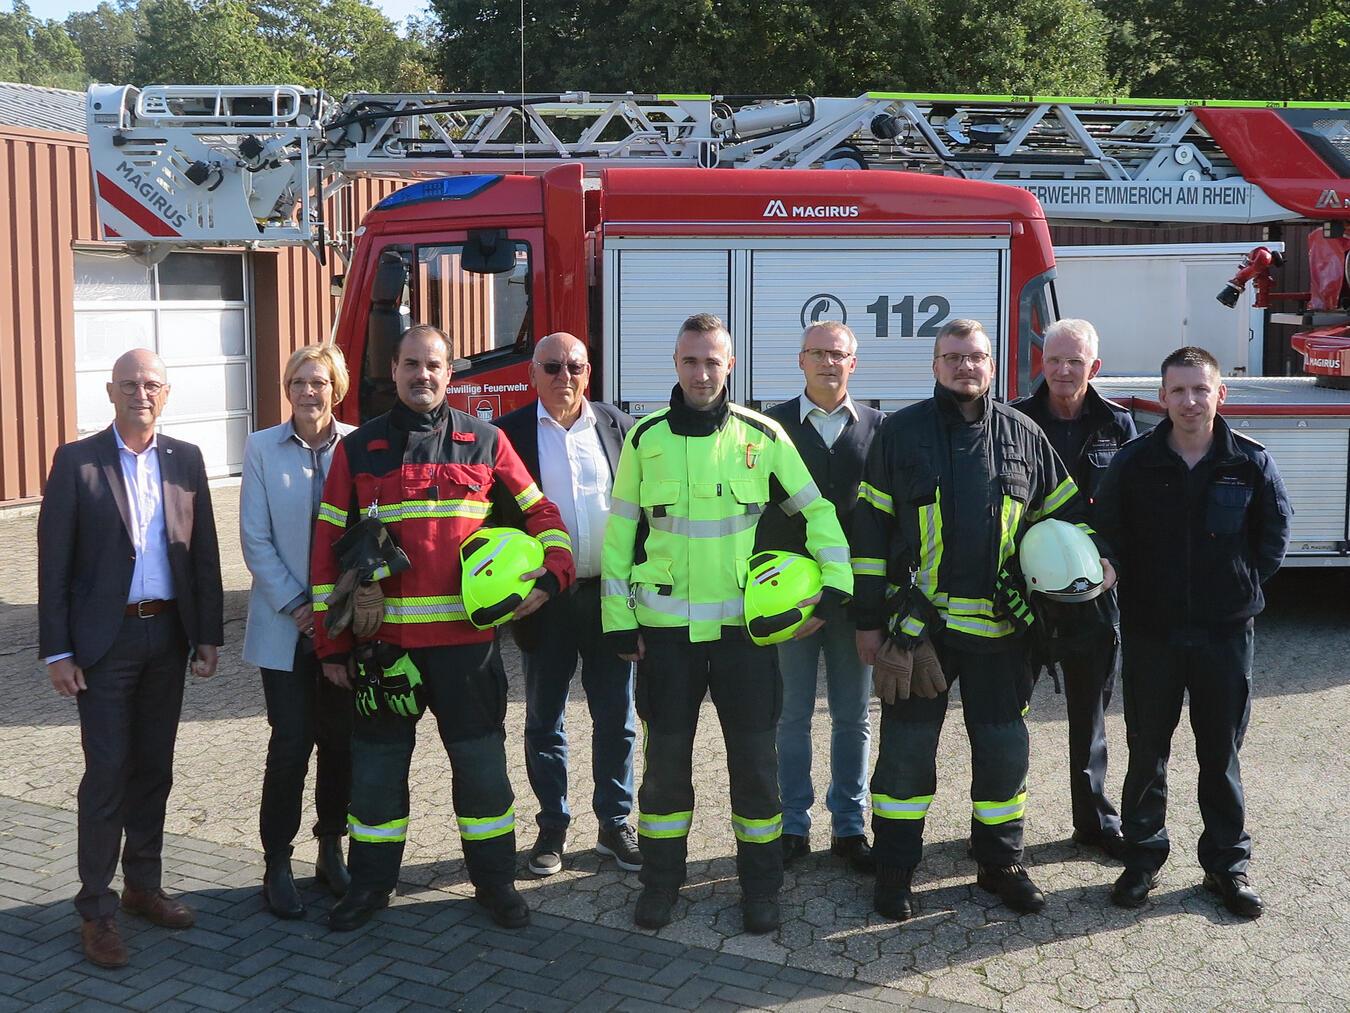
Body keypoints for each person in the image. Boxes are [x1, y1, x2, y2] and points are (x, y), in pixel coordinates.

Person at [310, 324, 575, 933]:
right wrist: (333, 644)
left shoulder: (484, 442)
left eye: (433, 365)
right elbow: (326, 552)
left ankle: (494, 884)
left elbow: (543, 515)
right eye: (410, 365)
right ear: (393, 371)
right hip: (385, 653)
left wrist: (550, 578)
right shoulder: (359, 450)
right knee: (375, 780)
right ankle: (370, 888)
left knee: (483, 775)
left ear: (450, 373)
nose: (421, 376)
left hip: (467, 653)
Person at [851, 319, 1112, 921]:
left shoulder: (1023, 434)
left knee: (1002, 751)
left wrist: (1098, 565)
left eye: (976, 357)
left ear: (994, 366)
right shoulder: (901, 433)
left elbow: (1068, 516)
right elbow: (868, 535)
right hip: (922, 634)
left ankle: (1000, 863)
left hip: (1003, 633)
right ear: (936, 365)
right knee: (906, 753)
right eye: (953, 357)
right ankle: (894, 867)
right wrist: (870, 622)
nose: (965, 367)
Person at [601, 313, 853, 935]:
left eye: (714, 361)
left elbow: (817, 511)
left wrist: (833, 589)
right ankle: (662, 882)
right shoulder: (645, 439)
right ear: (676, 363)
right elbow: (618, 536)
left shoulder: (762, 436)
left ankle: (761, 889)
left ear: (731, 365)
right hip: (666, 636)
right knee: (664, 768)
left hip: (747, 636)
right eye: (691, 361)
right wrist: (616, 619)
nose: (702, 373)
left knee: (755, 767)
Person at [37, 348, 223, 969]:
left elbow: (203, 556)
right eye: (129, 384)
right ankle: (97, 909)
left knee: (154, 769)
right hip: (104, 645)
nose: (141, 392)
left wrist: (207, 635)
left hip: (166, 638)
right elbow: (53, 563)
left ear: (166, 394)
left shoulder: (186, 460)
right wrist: (58, 650)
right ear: (109, 393)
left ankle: (144, 886)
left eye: (151, 384)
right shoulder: (76, 461)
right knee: (108, 774)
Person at [1094, 346, 1290, 918]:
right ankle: (1142, 859)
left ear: (1219, 394)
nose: (1189, 401)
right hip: (1152, 633)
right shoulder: (1134, 461)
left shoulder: (1250, 462)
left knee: (1220, 755)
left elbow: (1271, 539)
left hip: (1224, 637)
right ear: (1162, 397)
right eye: (1176, 391)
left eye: (1200, 389)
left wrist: (1234, 588)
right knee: (1147, 752)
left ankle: (1226, 867)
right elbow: (1109, 533)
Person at [495, 333, 641, 877]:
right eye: (552, 367)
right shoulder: (506, 435)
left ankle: (614, 823)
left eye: (575, 366)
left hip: (608, 595)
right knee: (544, 718)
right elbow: (491, 521)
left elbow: (642, 513)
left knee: (616, 718)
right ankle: (552, 825)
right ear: (532, 374)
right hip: (544, 602)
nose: (565, 377)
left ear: (589, 371)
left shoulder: (617, 426)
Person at [755, 321, 884, 874]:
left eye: (839, 353)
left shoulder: (882, 428)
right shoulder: (768, 427)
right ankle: (792, 824)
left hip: (857, 604)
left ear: (853, 363)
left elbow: (888, 517)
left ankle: (850, 827)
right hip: (795, 605)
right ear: (799, 360)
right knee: (791, 715)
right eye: (818, 353)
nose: (829, 362)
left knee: (853, 715)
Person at [1009, 319, 1136, 859]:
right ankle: (997, 825)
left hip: (1093, 596)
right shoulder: (1013, 420)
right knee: (1005, 714)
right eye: (1054, 359)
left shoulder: (1119, 426)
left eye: (1075, 362)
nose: (1063, 370)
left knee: (1089, 714)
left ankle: (1094, 821)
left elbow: (1136, 508)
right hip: (1024, 595)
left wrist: (1114, 560)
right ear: (1042, 362)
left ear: (1094, 367)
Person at [241, 345, 357, 919]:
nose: (307, 392)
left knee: (340, 741)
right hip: (285, 627)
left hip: (344, 625)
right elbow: (254, 540)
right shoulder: (262, 447)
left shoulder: (359, 444)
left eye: (318, 382)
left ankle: (330, 846)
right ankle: (276, 861)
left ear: (336, 388)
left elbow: (371, 532)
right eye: (297, 381)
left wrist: (334, 610)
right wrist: (298, 606)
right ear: (285, 388)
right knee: (290, 742)